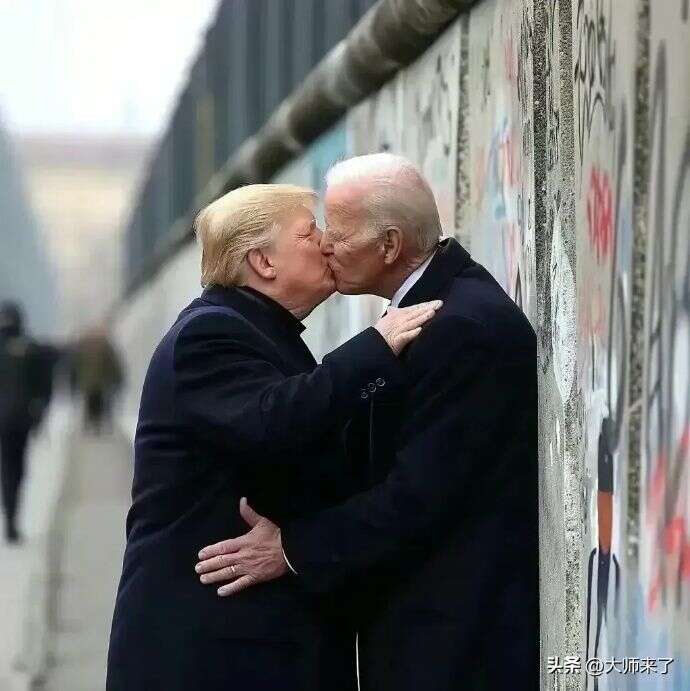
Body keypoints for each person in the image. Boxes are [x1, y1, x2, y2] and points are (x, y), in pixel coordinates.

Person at [196, 154, 540, 690]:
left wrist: (291, 549)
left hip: (455, 644)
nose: (326, 245)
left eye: (338, 231)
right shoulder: (430, 308)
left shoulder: (461, 327)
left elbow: (419, 495)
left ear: (389, 246)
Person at [105, 184, 440, 691]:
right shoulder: (207, 335)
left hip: (246, 643)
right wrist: (375, 348)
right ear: (262, 262)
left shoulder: (258, 331)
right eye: (309, 232)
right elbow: (275, 420)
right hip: (210, 653)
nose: (327, 242)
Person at [0, 302, 54, 544]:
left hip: (5, 419)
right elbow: (45, 385)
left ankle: (10, 515)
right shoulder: (31, 348)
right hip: (22, 419)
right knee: (18, 469)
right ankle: (12, 517)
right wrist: (39, 414)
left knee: (8, 468)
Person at [71, 327, 124, 433]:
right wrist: (118, 379)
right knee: (100, 403)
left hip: (88, 383)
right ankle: (97, 425)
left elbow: (75, 366)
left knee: (90, 403)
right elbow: (114, 364)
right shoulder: (105, 346)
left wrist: (73, 382)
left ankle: (90, 425)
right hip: (101, 384)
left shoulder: (82, 346)